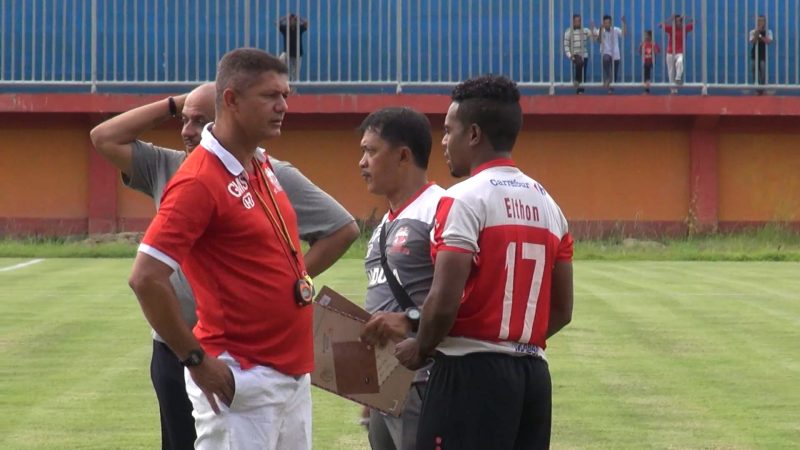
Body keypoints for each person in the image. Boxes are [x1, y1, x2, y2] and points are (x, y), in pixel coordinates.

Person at [90, 79, 357, 449]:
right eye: (183, 120)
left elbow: (341, 228)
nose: (188, 131)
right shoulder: (172, 167)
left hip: (245, 349)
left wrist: (290, 284)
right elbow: (103, 137)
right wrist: (175, 103)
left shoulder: (268, 171)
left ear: (225, 115)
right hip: (176, 341)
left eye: (200, 120)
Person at [395, 75, 574, 449]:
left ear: (473, 134)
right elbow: (561, 310)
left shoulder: (463, 199)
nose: (443, 141)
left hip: (468, 374)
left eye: (448, 130)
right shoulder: (549, 205)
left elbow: (444, 300)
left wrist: (421, 346)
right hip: (533, 377)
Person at [357, 107, 445, 450]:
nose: (361, 163)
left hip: (422, 382)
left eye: (370, 150)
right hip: (383, 384)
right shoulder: (384, 224)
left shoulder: (440, 210)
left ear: (403, 155)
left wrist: (411, 322)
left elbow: (466, 297)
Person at [659, 14, 694, 94]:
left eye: (680, 21)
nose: (678, 23)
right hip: (670, 52)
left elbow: (694, 22)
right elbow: (661, 25)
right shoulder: (671, 29)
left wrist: (686, 17)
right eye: (676, 21)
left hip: (679, 52)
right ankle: (673, 89)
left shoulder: (685, 29)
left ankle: (678, 78)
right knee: (670, 71)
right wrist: (670, 19)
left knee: (680, 62)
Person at [592, 15, 626, 94]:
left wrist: (624, 23)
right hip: (606, 52)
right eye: (605, 23)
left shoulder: (615, 29)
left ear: (611, 23)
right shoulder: (600, 30)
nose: (607, 24)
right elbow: (599, 41)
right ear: (603, 23)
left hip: (615, 53)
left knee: (615, 73)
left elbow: (623, 34)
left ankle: (611, 88)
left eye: (608, 22)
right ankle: (608, 78)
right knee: (605, 59)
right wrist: (600, 30)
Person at [563, 14, 591, 95]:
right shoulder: (568, 32)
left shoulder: (585, 31)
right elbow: (566, 45)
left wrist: (594, 30)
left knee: (583, 72)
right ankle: (577, 80)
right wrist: (570, 55)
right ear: (573, 22)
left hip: (584, 54)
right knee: (579, 63)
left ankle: (580, 90)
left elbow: (594, 36)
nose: (577, 23)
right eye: (576, 21)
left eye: (579, 21)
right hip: (575, 54)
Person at [278, 13, 308, 81]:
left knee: (296, 73)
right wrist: (285, 17)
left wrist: (299, 18)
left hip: (298, 54)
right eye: (290, 20)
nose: (292, 21)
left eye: (294, 20)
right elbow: (277, 23)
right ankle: (288, 88)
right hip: (288, 54)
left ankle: (294, 90)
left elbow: (306, 23)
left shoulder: (299, 28)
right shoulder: (285, 29)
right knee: (288, 72)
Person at [749, 15, 773, 95]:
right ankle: (756, 88)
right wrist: (758, 32)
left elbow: (768, 41)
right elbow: (753, 41)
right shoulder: (752, 31)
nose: (760, 22)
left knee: (763, 72)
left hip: (763, 55)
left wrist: (760, 35)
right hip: (754, 54)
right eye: (758, 20)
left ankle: (762, 89)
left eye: (762, 20)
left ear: (765, 22)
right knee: (754, 71)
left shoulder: (768, 31)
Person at [639, 30, 660, 94]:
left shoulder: (653, 43)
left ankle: (647, 87)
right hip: (645, 61)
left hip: (651, 61)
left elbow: (657, 52)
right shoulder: (643, 43)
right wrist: (640, 46)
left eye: (646, 35)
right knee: (646, 74)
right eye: (644, 35)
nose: (645, 37)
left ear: (650, 36)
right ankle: (647, 89)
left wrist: (653, 46)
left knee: (647, 71)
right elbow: (640, 52)